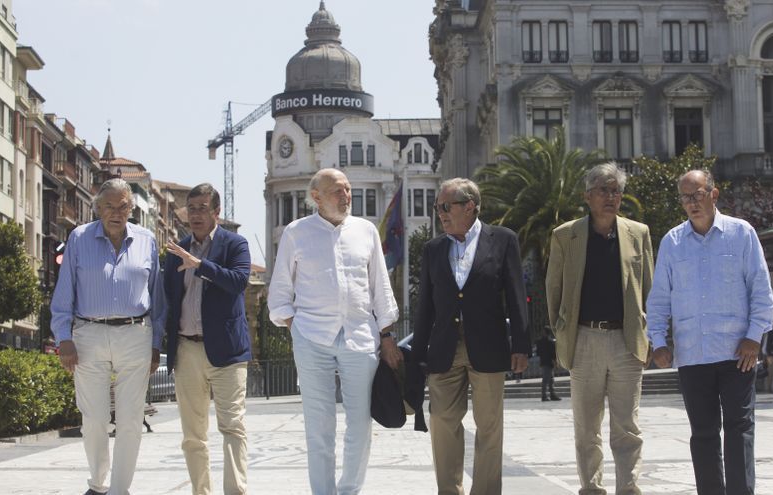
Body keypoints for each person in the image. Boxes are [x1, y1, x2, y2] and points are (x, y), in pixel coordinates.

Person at [267, 168, 401, 495]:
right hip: (312, 340)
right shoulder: (296, 233)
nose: (346, 195)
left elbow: (380, 288)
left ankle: (349, 490)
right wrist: (295, 326)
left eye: (348, 189)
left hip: (359, 337)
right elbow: (280, 293)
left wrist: (386, 335)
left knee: (359, 425)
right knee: (319, 429)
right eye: (338, 190)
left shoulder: (366, 231)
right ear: (317, 197)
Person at [647, 170, 773, 495]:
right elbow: (659, 298)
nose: (692, 203)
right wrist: (659, 341)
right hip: (693, 355)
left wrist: (754, 336)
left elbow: (761, 289)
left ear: (713, 194)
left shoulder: (741, 233)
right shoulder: (672, 242)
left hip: (738, 355)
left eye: (698, 195)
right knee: (702, 434)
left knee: (739, 429)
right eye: (685, 198)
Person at [413, 177, 530, 495]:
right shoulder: (433, 248)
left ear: (470, 207)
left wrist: (520, 345)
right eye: (438, 207)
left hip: (489, 347)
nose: (440, 213)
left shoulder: (503, 240)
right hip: (443, 349)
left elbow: (516, 295)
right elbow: (424, 306)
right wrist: (417, 355)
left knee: (489, 426)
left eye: (446, 206)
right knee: (442, 422)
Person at [50, 178, 166, 495]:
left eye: (123, 205)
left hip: (135, 334)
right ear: (98, 208)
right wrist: (64, 338)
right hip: (87, 335)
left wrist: (156, 343)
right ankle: (98, 484)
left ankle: (119, 490)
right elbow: (63, 294)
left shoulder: (147, 240)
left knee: (130, 420)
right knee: (95, 419)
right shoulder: (78, 238)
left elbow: (158, 298)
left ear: (132, 208)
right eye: (110, 206)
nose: (117, 212)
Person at [546, 162, 654, 494]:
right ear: (588, 196)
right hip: (584, 339)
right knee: (586, 428)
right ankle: (591, 489)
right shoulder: (566, 235)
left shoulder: (639, 233)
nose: (611, 197)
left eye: (616, 191)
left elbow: (650, 289)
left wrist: (651, 335)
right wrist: (563, 332)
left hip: (626, 341)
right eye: (603, 191)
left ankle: (628, 489)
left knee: (627, 428)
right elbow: (554, 289)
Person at [164, 183, 252, 494]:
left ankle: (235, 491)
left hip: (227, 351)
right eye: (192, 208)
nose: (196, 214)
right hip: (187, 350)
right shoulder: (176, 252)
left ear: (216, 212)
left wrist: (201, 265)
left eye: (203, 208)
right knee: (192, 435)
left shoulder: (235, 244)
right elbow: (168, 302)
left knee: (232, 426)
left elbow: (239, 281)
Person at [536, 330, 560, 401]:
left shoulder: (539, 342)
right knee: (548, 379)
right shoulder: (550, 342)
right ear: (549, 333)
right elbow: (553, 354)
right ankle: (546, 395)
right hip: (549, 362)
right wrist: (556, 363)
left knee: (549, 379)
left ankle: (551, 395)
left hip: (543, 362)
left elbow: (538, 353)